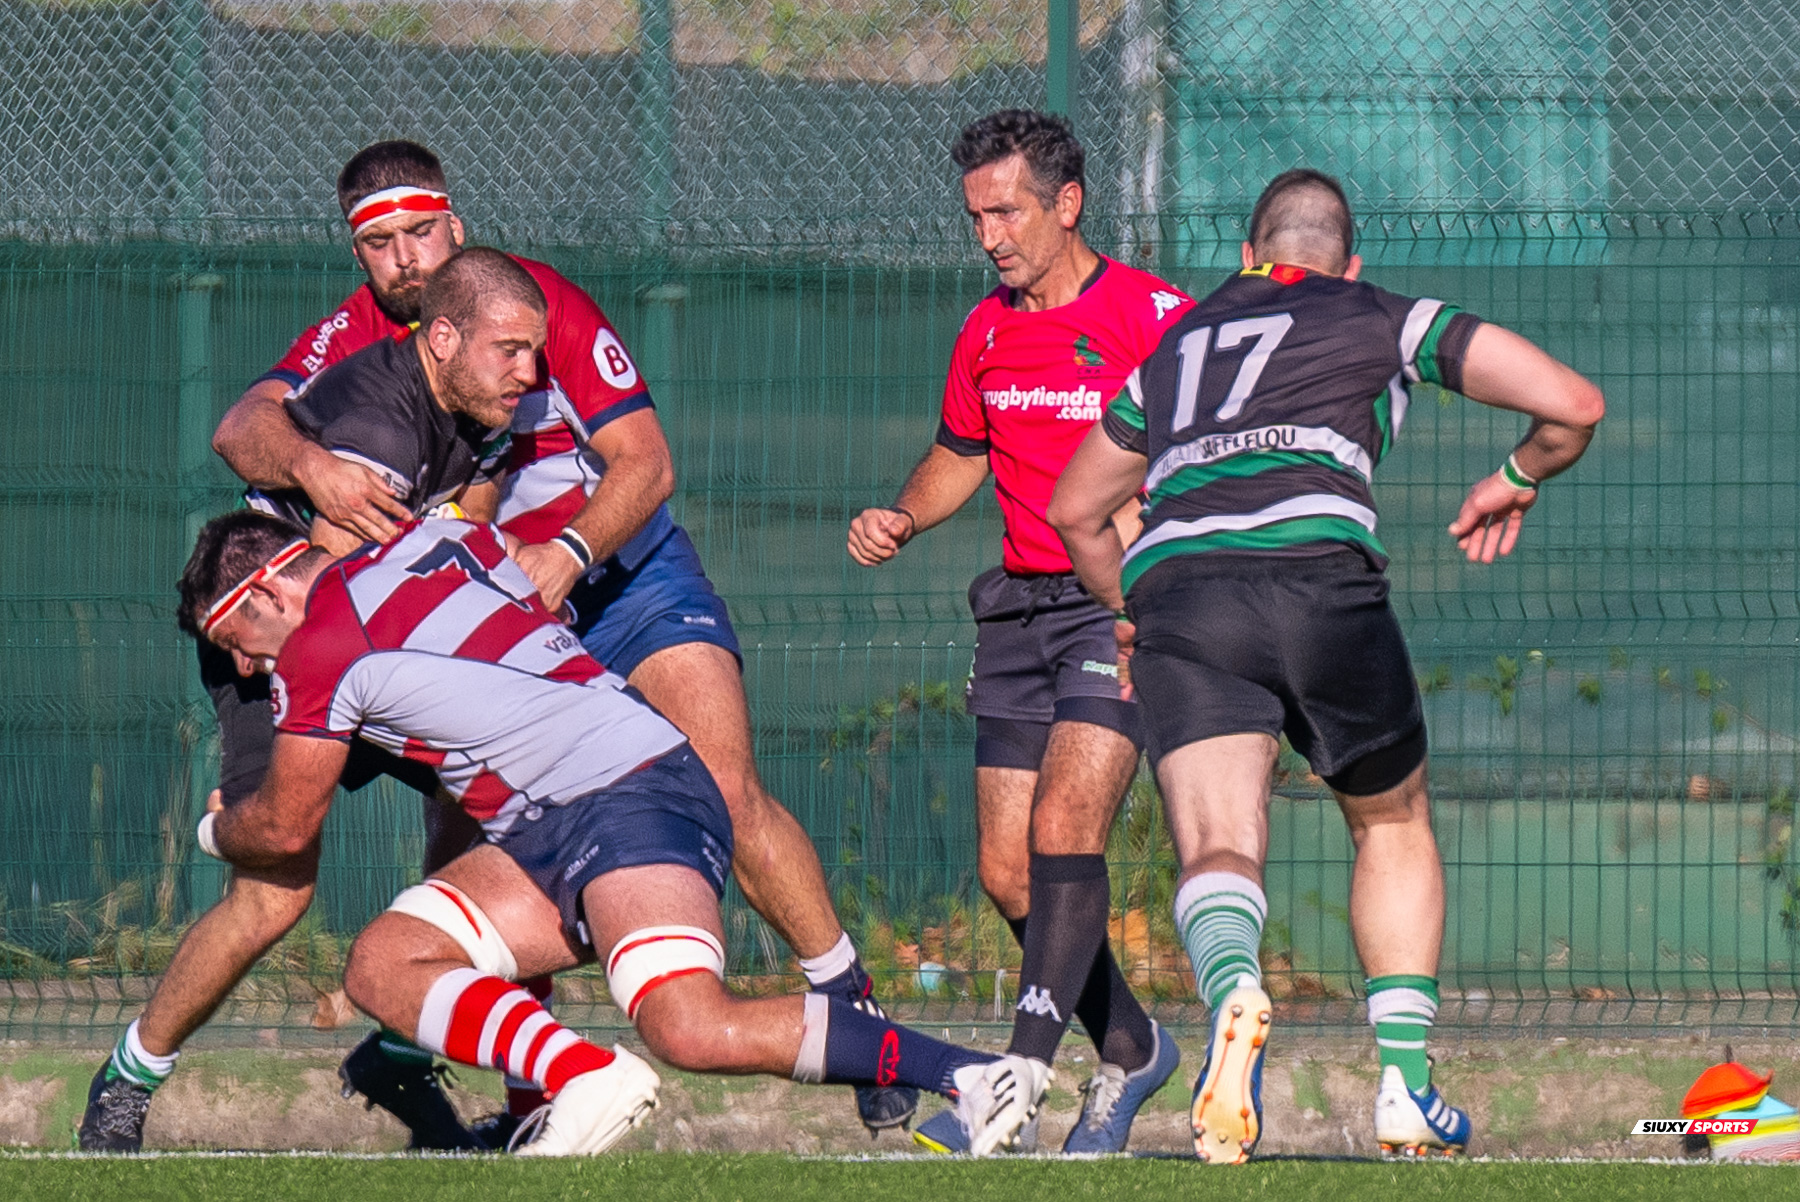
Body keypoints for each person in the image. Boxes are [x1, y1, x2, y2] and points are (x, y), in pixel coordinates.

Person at [179, 509, 1044, 1157]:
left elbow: (287, 826)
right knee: (384, 960)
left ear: (266, 591)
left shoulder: (317, 648)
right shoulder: (441, 538)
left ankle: (973, 1075)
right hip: (563, 812)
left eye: (239, 640)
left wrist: (219, 833)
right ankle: (580, 1078)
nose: (250, 669)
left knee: (688, 1028)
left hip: (625, 792)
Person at [1048, 168, 1606, 1162]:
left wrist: (1134, 610)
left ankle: (1236, 991)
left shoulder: (1176, 346)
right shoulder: (1378, 311)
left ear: (1246, 256)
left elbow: (1077, 509)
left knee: (1219, 836)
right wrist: (1515, 476)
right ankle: (1404, 1084)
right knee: (1390, 817)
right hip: (1320, 583)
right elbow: (1572, 401)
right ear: (1346, 263)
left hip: (1187, 588)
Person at [80, 247, 545, 1153]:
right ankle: (128, 1079)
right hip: (284, 643)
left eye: (535, 351)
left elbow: (468, 505)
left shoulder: (479, 400)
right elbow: (337, 595)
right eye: (512, 352)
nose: (529, 372)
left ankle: (406, 1048)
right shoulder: (379, 426)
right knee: (275, 889)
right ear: (444, 339)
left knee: (498, 821)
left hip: (369, 637)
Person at [847, 110, 1192, 1153]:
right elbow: (961, 450)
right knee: (1008, 873)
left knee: (1062, 835)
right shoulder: (987, 328)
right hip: (1017, 611)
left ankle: (1019, 1077)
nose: (989, 234)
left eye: (1006, 211)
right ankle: (1130, 1043)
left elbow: (1209, 454)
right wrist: (906, 512)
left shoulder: (1154, 314)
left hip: (1118, 606)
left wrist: (1160, 548)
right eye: (976, 216)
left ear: (1067, 204)